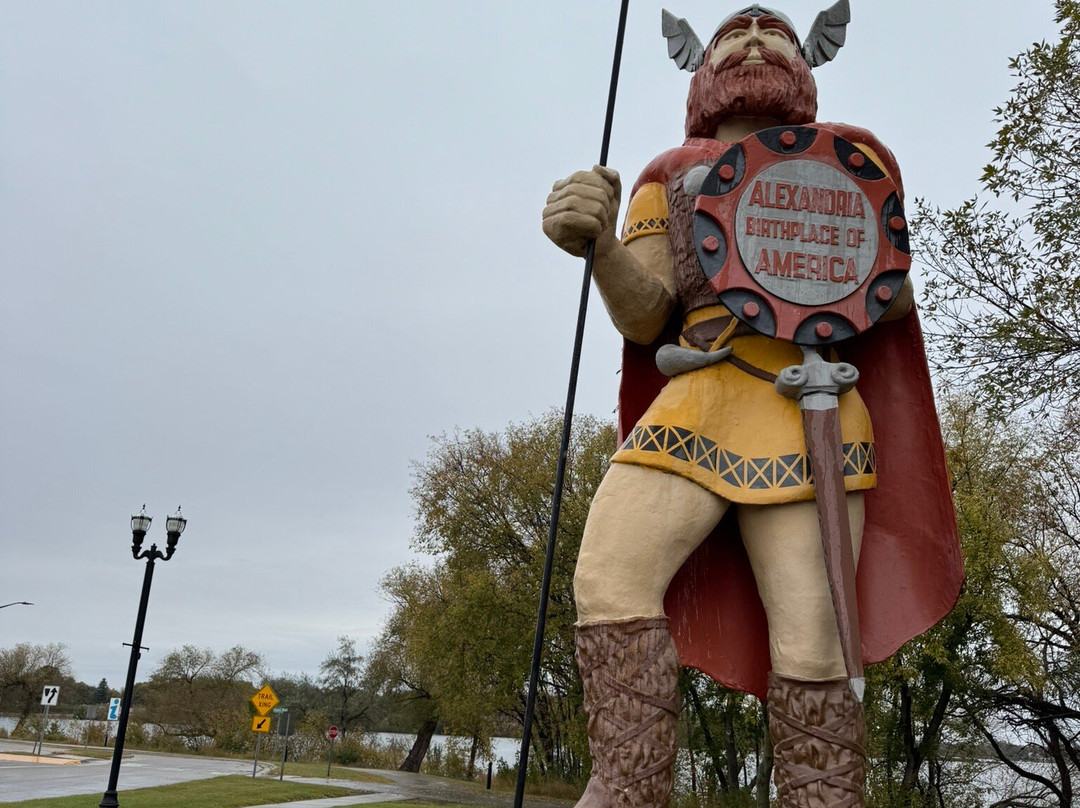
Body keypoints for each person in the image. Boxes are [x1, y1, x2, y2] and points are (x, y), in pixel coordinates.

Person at [542, 6, 961, 808]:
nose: (757, 43)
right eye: (736, 36)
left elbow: (893, 297)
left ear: (809, 63)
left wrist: (842, 231)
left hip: (811, 410)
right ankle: (627, 788)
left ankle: (821, 798)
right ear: (701, 68)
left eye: (775, 36)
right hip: (696, 396)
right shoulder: (670, 172)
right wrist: (599, 247)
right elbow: (645, 313)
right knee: (606, 576)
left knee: (813, 639)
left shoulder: (851, 154)